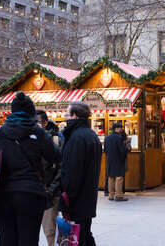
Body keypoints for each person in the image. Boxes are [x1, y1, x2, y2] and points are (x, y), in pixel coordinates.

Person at [0, 92, 58, 246]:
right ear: (31, 112)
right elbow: (56, 156)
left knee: (6, 240)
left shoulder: (0, 132)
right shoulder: (38, 132)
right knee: (29, 240)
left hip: (3, 195)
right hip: (31, 194)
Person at [59, 101, 102, 246]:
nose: (65, 116)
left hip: (77, 200)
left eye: (67, 113)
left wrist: (66, 198)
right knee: (85, 233)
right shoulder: (91, 135)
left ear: (74, 116)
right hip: (87, 197)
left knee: (77, 237)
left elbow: (72, 172)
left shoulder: (77, 138)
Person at [36, 110, 63, 246]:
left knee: (50, 230)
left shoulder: (56, 139)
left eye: (37, 122)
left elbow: (61, 168)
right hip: (33, 191)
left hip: (49, 192)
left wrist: (51, 190)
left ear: (45, 123)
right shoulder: (29, 140)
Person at [104, 122, 128, 201]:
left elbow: (105, 150)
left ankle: (111, 195)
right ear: (117, 129)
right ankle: (118, 196)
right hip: (118, 159)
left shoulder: (107, 137)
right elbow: (122, 150)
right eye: (120, 128)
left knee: (110, 177)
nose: (121, 130)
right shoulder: (119, 138)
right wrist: (126, 149)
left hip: (109, 160)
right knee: (119, 177)